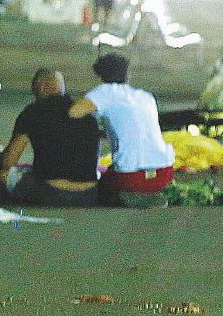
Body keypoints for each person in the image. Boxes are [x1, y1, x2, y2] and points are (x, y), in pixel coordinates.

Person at [0, 68, 100, 207]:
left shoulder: (32, 112)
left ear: (43, 86)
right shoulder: (88, 114)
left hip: (49, 193)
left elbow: (8, 162)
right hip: (88, 195)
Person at [69, 53, 174, 207]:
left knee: (98, 187)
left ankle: (128, 197)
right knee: (113, 171)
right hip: (164, 173)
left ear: (102, 76)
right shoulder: (146, 97)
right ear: (127, 74)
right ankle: (148, 193)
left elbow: (74, 113)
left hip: (132, 177)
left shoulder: (105, 92)